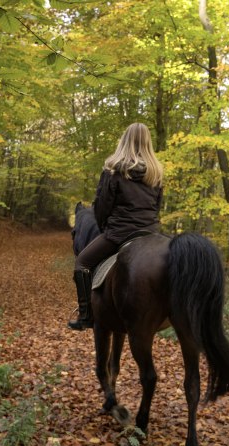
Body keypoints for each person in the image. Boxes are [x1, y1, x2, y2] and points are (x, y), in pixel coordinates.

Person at [68, 122, 164, 331]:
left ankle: (86, 315)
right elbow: (157, 207)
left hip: (120, 233)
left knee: (82, 263)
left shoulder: (113, 170)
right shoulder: (156, 173)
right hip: (150, 234)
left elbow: (101, 208)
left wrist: (105, 228)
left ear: (125, 140)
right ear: (148, 142)